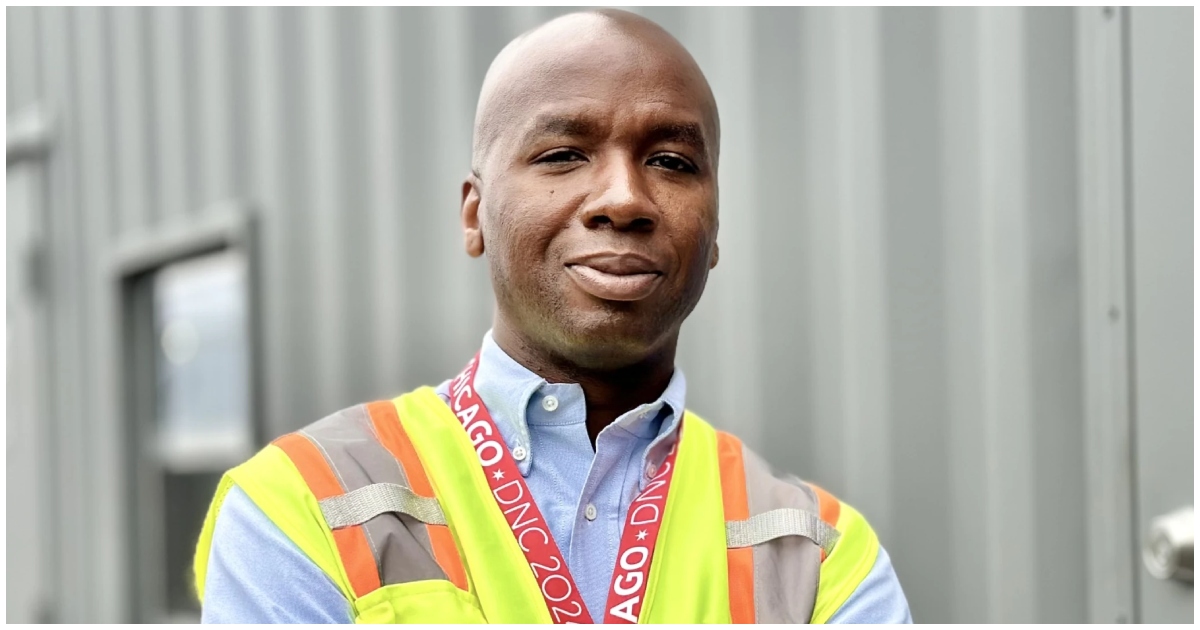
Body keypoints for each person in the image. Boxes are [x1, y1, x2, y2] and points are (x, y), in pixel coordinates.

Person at [193, 9, 911, 624]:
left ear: (716, 232)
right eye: (564, 154)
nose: (624, 198)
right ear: (475, 215)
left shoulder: (821, 561)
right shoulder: (303, 508)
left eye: (671, 161)